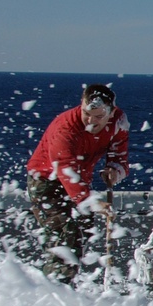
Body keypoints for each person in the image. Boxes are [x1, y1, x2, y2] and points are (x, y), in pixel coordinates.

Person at [26, 85, 129, 283]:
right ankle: (56, 288)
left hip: (80, 180)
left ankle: (64, 282)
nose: (91, 121)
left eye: (99, 116)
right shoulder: (64, 129)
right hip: (46, 182)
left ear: (111, 112)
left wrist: (115, 170)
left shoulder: (119, 121)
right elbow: (65, 169)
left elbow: (119, 153)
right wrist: (89, 200)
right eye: (87, 114)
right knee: (65, 233)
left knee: (83, 230)